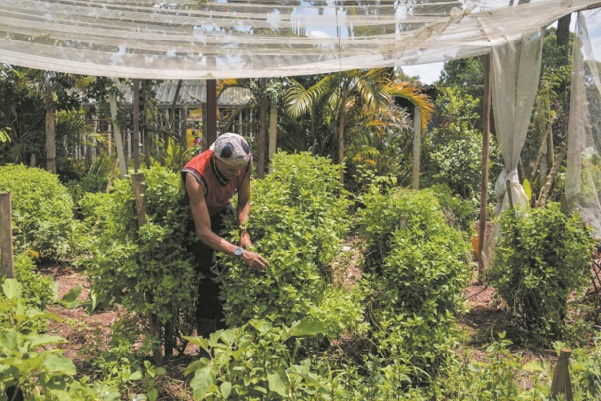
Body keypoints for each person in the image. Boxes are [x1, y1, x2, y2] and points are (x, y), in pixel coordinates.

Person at [182, 132, 268, 337]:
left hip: (221, 210)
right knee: (210, 278)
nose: (235, 173)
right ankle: (207, 340)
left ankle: (225, 338)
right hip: (197, 218)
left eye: (239, 169)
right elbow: (203, 232)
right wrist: (241, 253)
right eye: (230, 169)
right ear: (215, 159)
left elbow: (244, 201)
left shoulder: (244, 164)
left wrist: (243, 233)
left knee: (229, 276)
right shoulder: (195, 176)